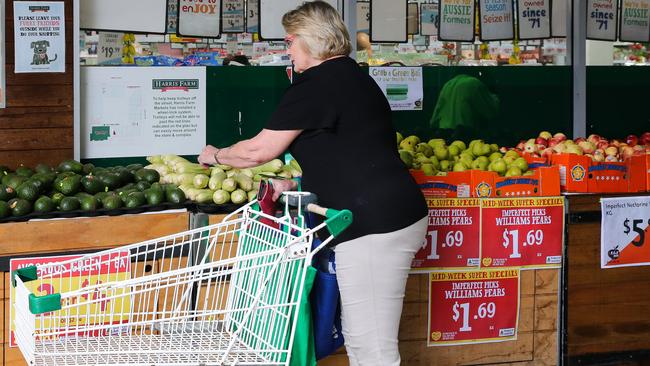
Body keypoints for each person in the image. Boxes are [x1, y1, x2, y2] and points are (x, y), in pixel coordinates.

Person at [198, 2, 427, 365]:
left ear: (310, 39)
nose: (287, 50)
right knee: (363, 337)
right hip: (388, 213)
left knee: (372, 347)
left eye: (289, 40)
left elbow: (258, 151)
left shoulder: (317, 85)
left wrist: (215, 155)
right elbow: (346, 148)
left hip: (372, 226)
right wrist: (297, 185)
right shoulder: (352, 77)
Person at [429, 74, 500, 142]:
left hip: (444, 136)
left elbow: (434, 119)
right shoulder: (474, 83)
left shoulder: (448, 84)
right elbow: (490, 111)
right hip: (465, 136)